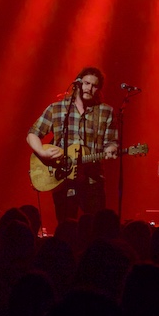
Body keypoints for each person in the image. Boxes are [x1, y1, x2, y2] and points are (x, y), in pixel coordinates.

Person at [27, 66, 119, 224]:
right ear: (78, 83)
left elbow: (111, 141)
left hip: (92, 180)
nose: (89, 88)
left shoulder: (106, 112)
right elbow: (32, 134)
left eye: (94, 85)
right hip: (63, 180)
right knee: (66, 225)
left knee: (96, 226)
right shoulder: (58, 108)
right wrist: (42, 152)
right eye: (86, 83)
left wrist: (111, 148)